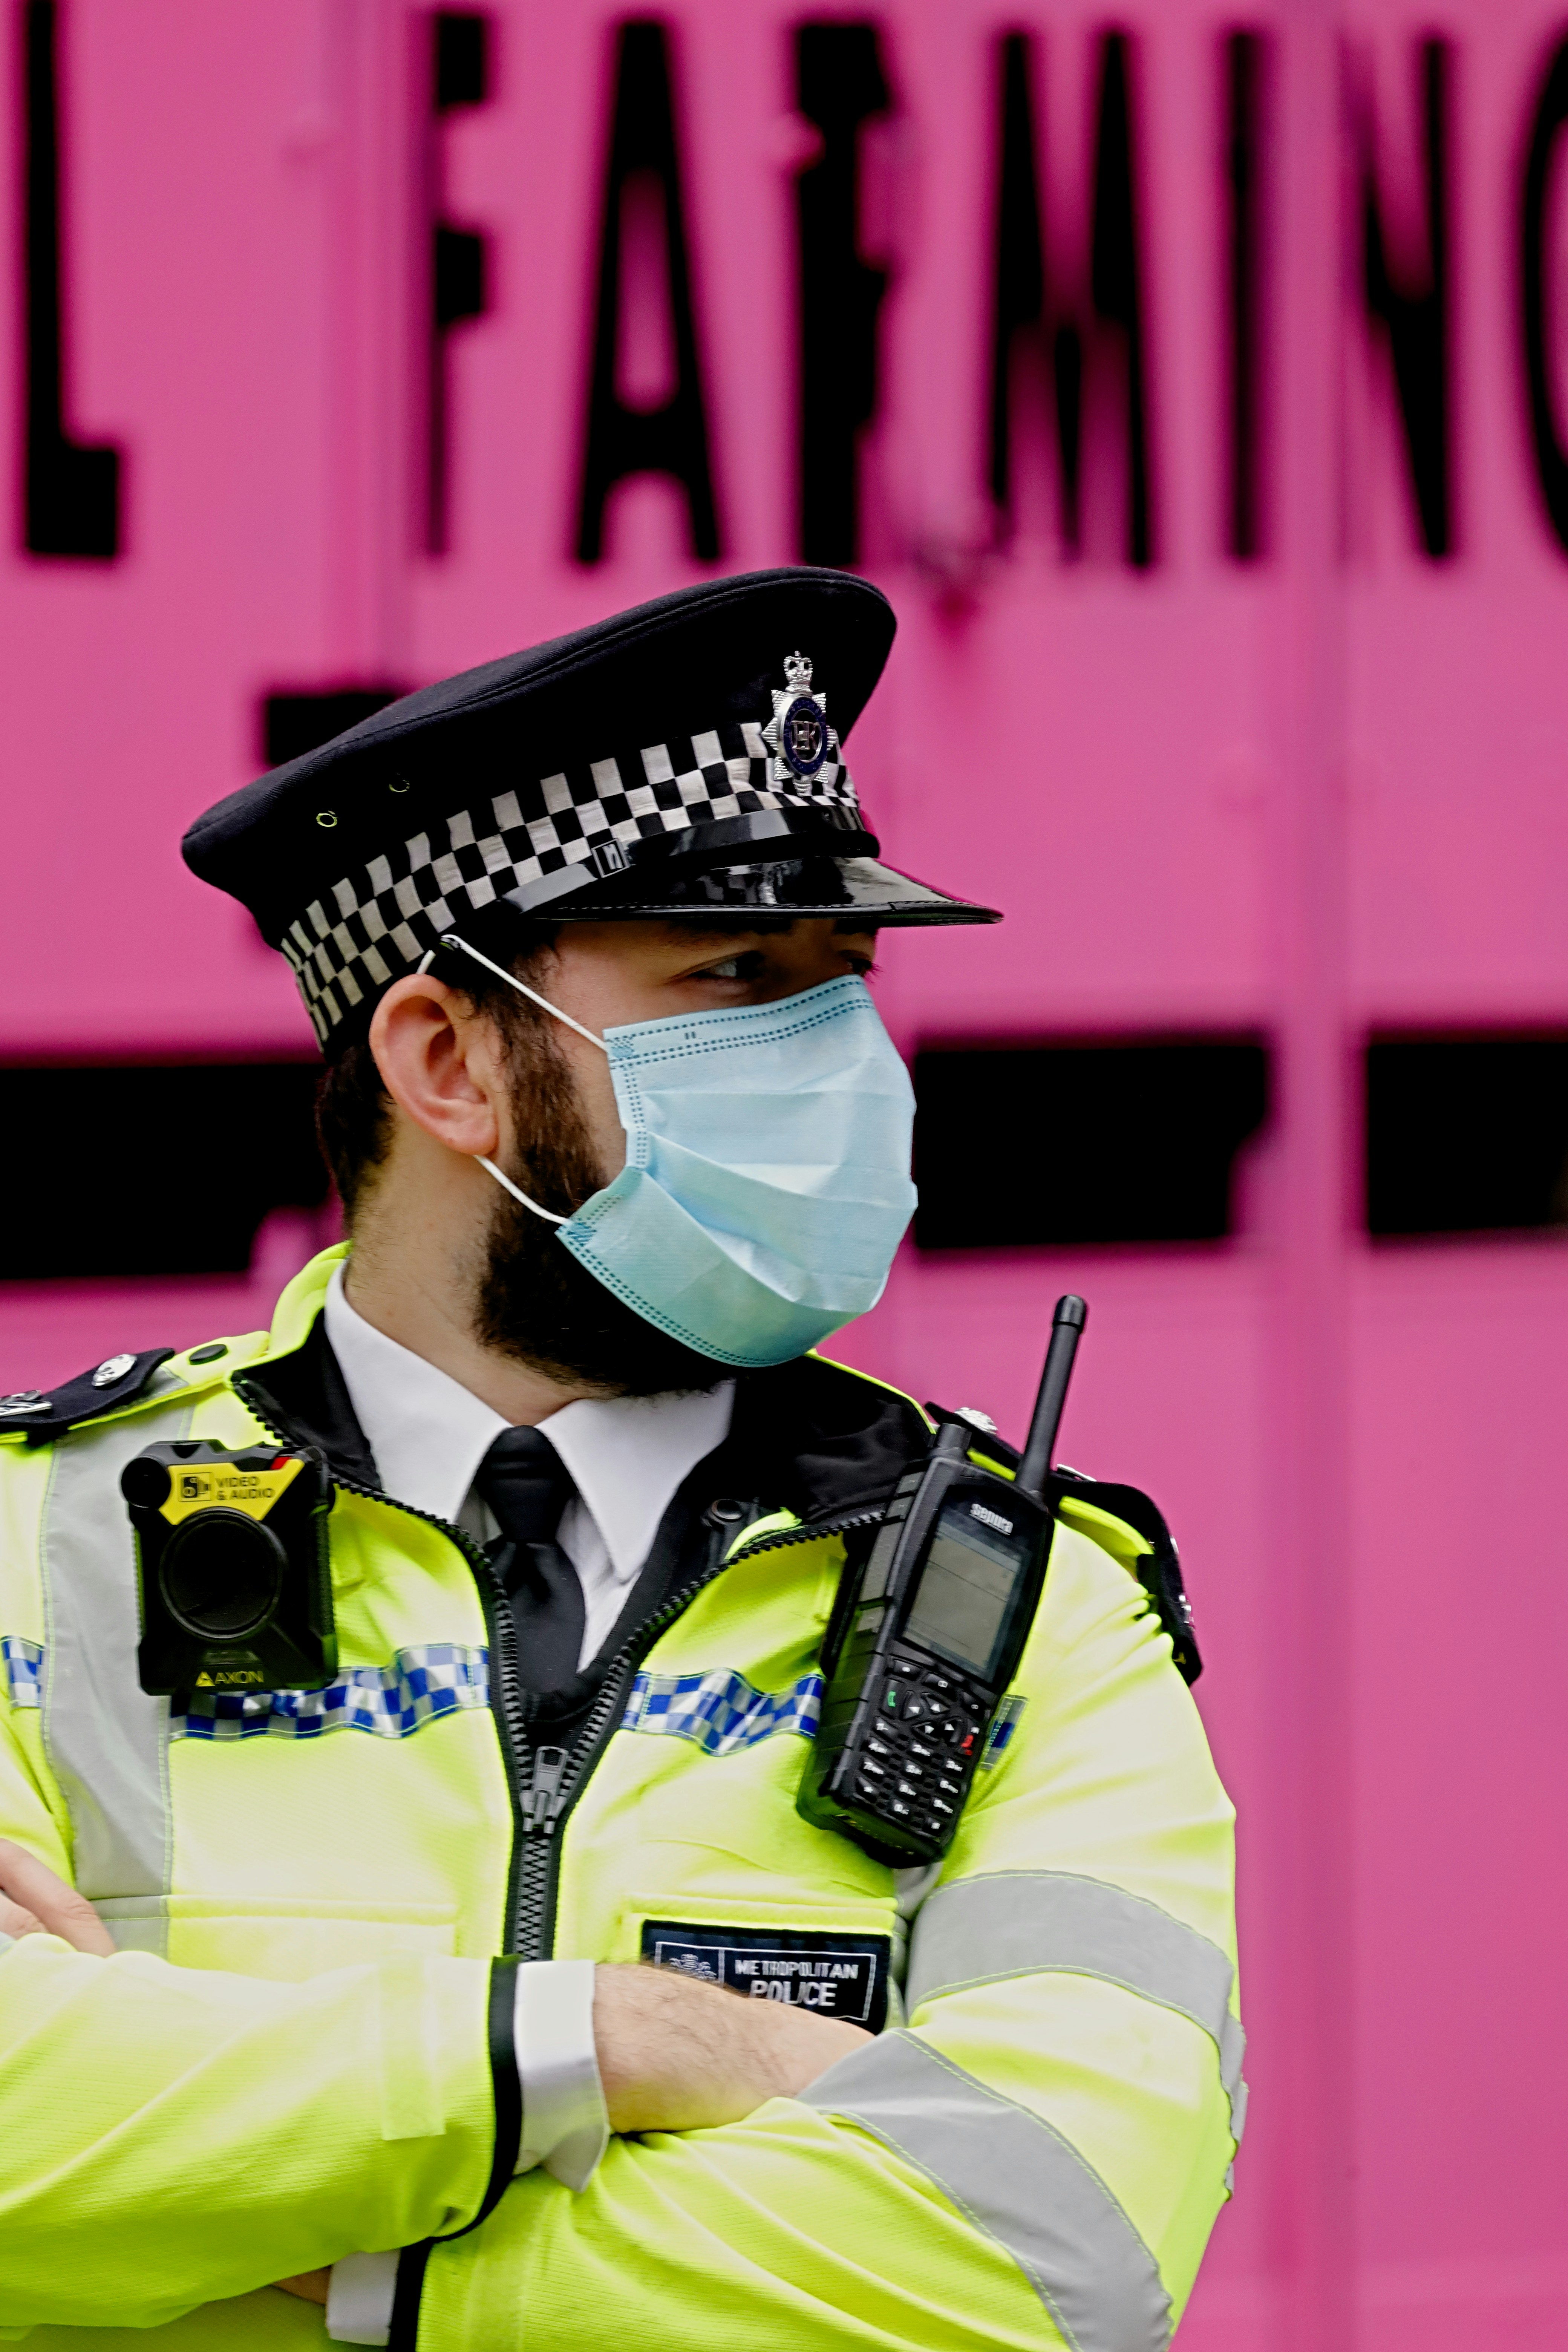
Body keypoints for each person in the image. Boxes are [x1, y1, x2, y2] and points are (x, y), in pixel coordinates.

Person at [0, 569, 1241, 2352]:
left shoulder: (1041, 1606)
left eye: (846, 984)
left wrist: (321, 2250)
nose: (841, 1065)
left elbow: (1059, 2246)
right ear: (448, 1060)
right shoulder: (34, 1543)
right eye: (735, 976)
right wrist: (609, 2037)